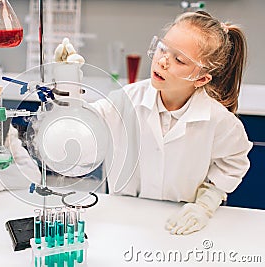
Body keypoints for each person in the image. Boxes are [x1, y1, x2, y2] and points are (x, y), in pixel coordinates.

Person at [91, 11, 252, 235]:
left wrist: (206, 203)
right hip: (123, 221)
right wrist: (67, 92)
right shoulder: (125, 100)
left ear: (201, 79)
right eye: (163, 48)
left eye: (179, 60)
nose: (163, 61)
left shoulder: (218, 121)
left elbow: (234, 162)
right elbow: (86, 124)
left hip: (178, 226)